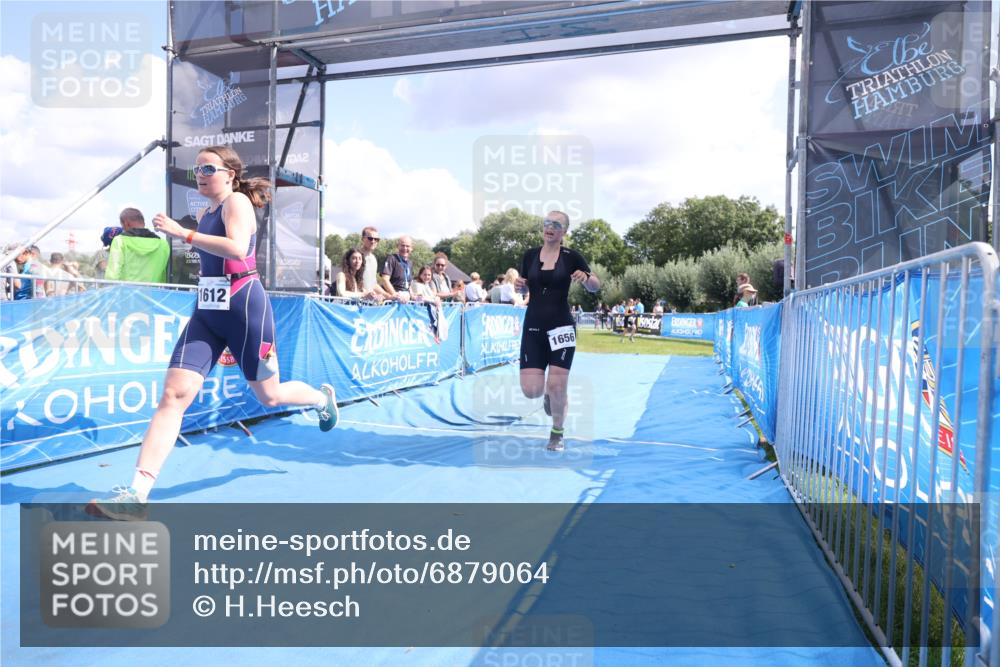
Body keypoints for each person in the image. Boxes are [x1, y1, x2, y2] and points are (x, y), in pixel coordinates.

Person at [88, 145, 340, 521]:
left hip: (244, 307)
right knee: (174, 394)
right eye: (196, 169)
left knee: (270, 396)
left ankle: (321, 400)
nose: (200, 174)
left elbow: (237, 249)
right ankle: (136, 495)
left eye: (208, 167)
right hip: (208, 310)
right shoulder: (207, 211)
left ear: (229, 174)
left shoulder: (235, 202)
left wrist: (183, 234)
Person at [515, 211, 600, 451]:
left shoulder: (572, 256)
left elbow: (595, 286)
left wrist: (585, 278)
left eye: (556, 224)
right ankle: (548, 396)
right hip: (533, 326)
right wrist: (520, 287)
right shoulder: (530, 255)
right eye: (546, 223)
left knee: (557, 385)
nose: (549, 227)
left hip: (561, 326)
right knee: (531, 390)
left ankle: (557, 433)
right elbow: (523, 289)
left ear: (564, 231)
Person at [105, 208, 170, 283]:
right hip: (152, 293)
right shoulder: (163, 244)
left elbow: (112, 276)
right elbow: (163, 276)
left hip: (126, 293)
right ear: (143, 223)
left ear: (126, 224)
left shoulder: (120, 241)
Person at [379, 236, 413, 302]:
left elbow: (409, 284)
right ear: (398, 246)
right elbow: (385, 280)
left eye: (407, 246)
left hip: (405, 298)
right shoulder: (391, 259)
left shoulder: (410, 263)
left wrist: (413, 295)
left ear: (411, 248)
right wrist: (395, 295)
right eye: (402, 245)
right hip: (393, 300)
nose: (405, 248)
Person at [359, 226, 381, 291]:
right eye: (370, 238)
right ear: (363, 239)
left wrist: (388, 295)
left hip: (368, 300)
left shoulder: (374, 259)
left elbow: (373, 285)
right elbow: (351, 280)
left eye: (376, 239)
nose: (373, 241)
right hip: (355, 299)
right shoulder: (355, 256)